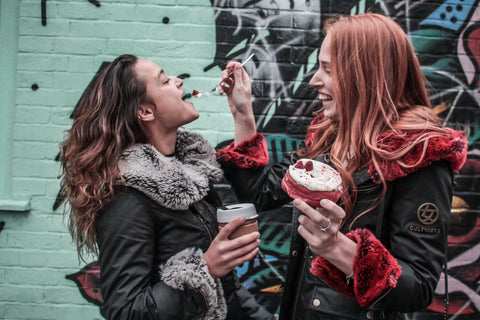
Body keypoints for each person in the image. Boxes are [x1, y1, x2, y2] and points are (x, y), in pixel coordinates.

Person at [215, 13, 468, 320]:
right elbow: (262, 192)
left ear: (365, 75)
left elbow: (418, 288)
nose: (313, 80)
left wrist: (335, 247)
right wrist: (243, 112)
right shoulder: (329, 137)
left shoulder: (417, 156)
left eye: (328, 70)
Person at [59, 54, 274, 320]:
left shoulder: (191, 177)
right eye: (165, 81)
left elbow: (225, 288)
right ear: (146, 111)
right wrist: (205, 268)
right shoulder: (127, 199)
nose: (179, 82)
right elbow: (125, 313)